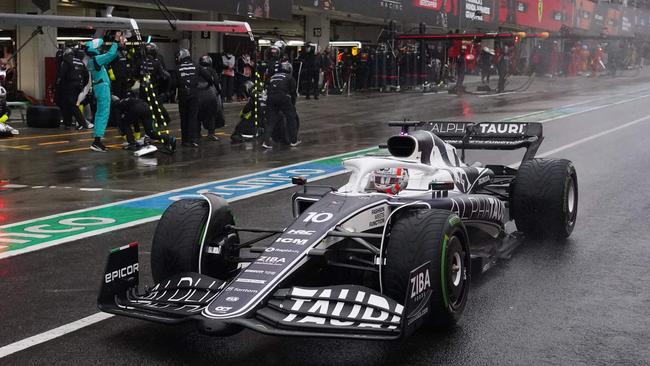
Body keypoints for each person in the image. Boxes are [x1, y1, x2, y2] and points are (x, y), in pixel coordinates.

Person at [85, 32, 124, 152]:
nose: (100, 49)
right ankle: (97, 142)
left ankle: (97, 140)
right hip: (102, 88)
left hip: (99, 87)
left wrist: (117, 45)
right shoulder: (96, 59)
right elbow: (111, 54)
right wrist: (116, 41)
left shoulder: (93, 60)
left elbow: (110, 56)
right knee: (103, 114)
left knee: (99, 114)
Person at [111, 94, 176, 152]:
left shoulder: (116, 105)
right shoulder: (127, 100)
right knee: (150, 132)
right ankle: (169, 139)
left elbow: (119, 121)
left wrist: (123, 132)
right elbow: (135, 121)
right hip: (146, 107)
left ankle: (132, 143)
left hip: (137, 108)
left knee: (124, 123)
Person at [263, 61, 299, 149]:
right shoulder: (289, 77)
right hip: (283, 97)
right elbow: (293, 93)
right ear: (289, 69)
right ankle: (294, 141)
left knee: (270, 121)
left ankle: (266, 142)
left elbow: (265, 87)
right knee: (291, 118)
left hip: (270, 98)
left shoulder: (273, 77)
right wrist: (292, 105)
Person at [56, 47, 91, 130]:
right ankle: (67, 123)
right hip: (78, 85)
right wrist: (83, 85)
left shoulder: (66, 61)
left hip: (69, 85)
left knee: (72, 104)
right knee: (68, 104)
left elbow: (62, 74)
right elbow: (86, 74)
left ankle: (83, 123)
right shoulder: (79, 61)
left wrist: (58, 84)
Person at [175, 48, 201, 148]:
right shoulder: (196, 66)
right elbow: (207, 76)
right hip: (194, 93)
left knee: (184, 117)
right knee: (193, 117)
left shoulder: (177, 67)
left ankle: (184, 140)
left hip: (183, 94)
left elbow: (174, 83)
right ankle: (193, 139)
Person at [196, 55, 225, 141]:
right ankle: (211, 134)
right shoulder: (212, 70)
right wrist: (220, 92)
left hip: (197, 95)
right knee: (212, 115)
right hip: (210, 95)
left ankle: (197, 133)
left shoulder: (196, 69)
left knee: (197, 115)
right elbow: (216, 82)